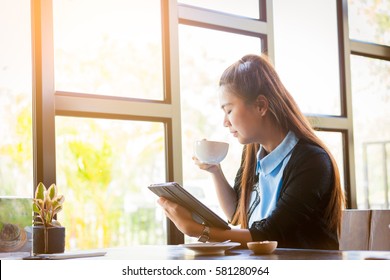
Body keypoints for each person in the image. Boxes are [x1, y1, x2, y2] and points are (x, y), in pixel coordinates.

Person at [158, 54, 345, 250]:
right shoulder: (253, 153)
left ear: (260, 106)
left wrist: (198, 230)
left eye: (229, 110)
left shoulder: (312, 161)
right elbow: (237, 214)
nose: (225, 122)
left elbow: (268, 234)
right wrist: (215, 170)